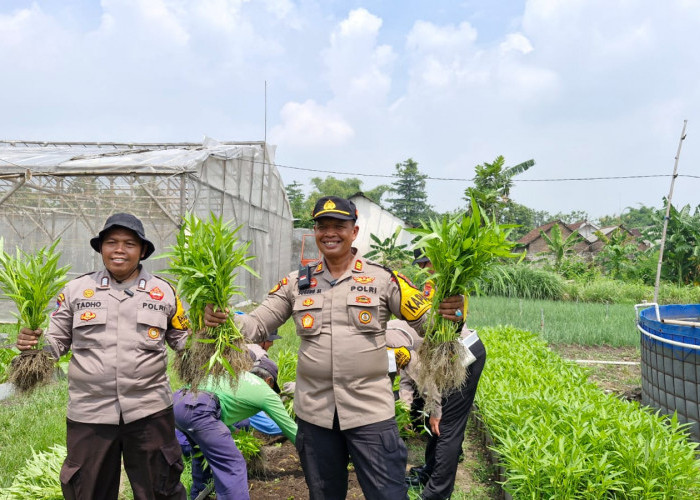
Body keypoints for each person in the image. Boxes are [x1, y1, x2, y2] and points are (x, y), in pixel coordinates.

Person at [204, 196, 464, 500]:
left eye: (338, 225)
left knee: (388, 495)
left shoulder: (383, 279)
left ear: (354, 231)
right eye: (322, 226)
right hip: (316, 415)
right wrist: (221, 319)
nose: (330, 232)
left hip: (370, 414)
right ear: (315, 232)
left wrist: (454, 313)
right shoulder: (296, 282)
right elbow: (257, 324)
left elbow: (430, 324)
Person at [16, 213, 189, 500]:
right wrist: (32, 347)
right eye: (112, 242)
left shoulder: (165, 292)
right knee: (87, 491)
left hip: (149, 411)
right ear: (101, 248)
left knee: (161, 490)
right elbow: (56, 341)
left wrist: (214, 333)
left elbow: (184, 343)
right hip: (89, 413)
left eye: (129, 243)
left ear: (142, 250)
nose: (119, 250)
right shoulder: (75, 291)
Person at [403, 249, 488, 500]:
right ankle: (431, 472)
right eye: (423, 264)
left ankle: (437, 494)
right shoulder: (431, 286)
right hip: (441, 356)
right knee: (436, 422)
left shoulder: (447, 285)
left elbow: (458, 319)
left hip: (458, 357)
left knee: (447, 425)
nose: (426, 267)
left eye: (428, 263)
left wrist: (435, 409)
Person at [172, 357, 297, 500]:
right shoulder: (265, 391)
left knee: (202, 453)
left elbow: (218, 405)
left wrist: (231, 429)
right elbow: (290, 429)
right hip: (199, 410)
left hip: (179, 401)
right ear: (269, 380)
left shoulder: (236, 375)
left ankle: (199, 495)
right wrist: (312, 452)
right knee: (233, 465)